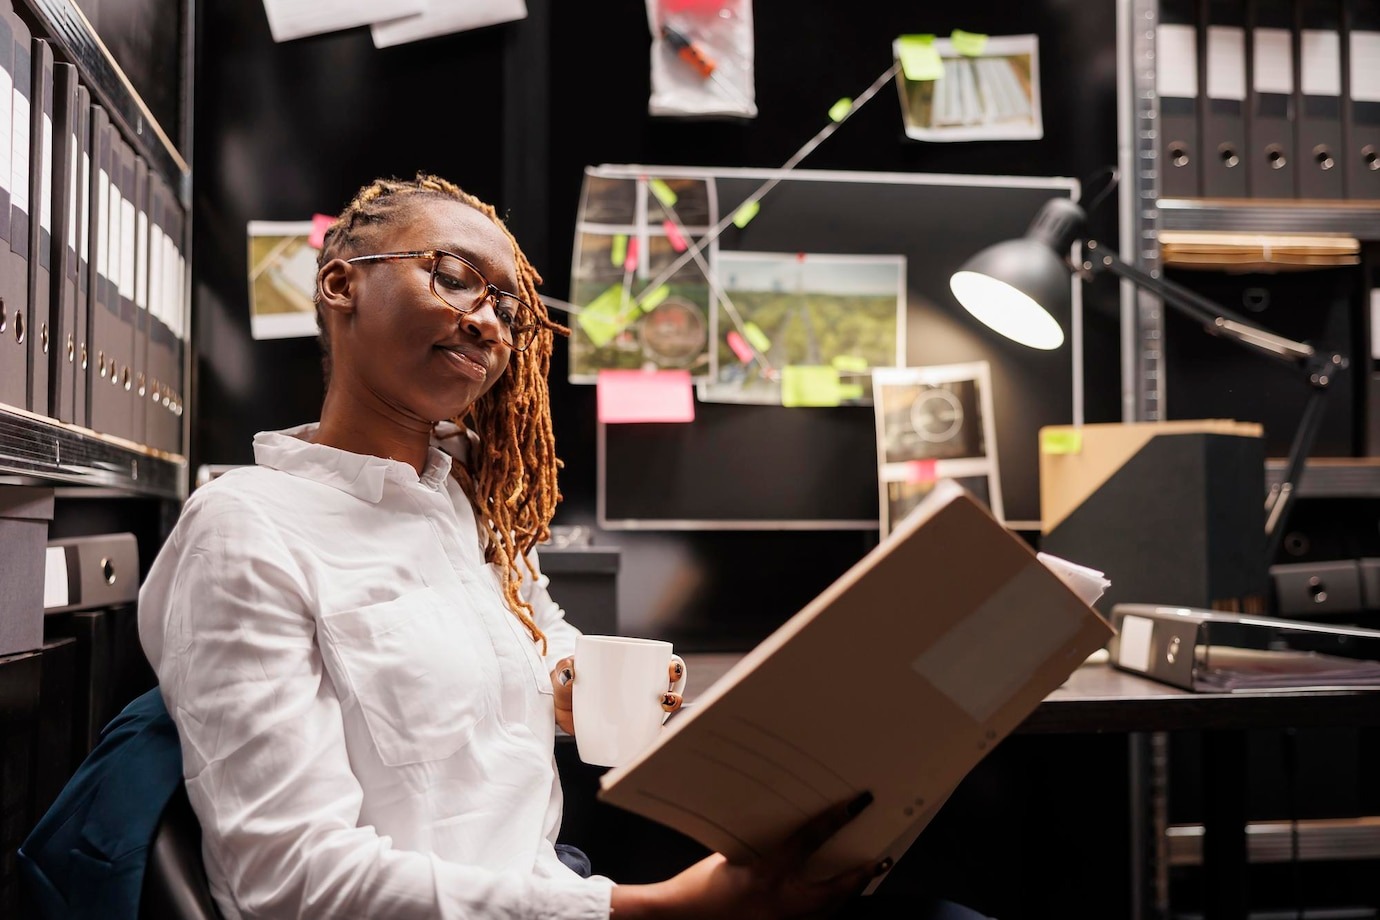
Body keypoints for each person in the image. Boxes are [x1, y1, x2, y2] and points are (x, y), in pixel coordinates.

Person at [137, 173, 892, 919]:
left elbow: (541, 642)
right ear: (341, 285)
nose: (492, 323)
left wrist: (582, 687)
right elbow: (290, 884)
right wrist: (658, 910)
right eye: (457, 278)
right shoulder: (244, 530)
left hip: (555, 881)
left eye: (507, 308)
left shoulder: (470, 506)